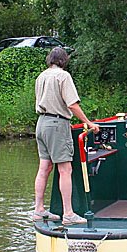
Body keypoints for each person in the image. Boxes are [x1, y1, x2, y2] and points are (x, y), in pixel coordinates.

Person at [32, 47, 100, 225]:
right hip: (56, 125)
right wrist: (89, 123)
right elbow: (72, 105)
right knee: (65, 169)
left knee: (44, 168)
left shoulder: (41, 76)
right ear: (64, 60)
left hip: (41, 124)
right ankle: (68, 214)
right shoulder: (63, 76)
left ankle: (38, 210)